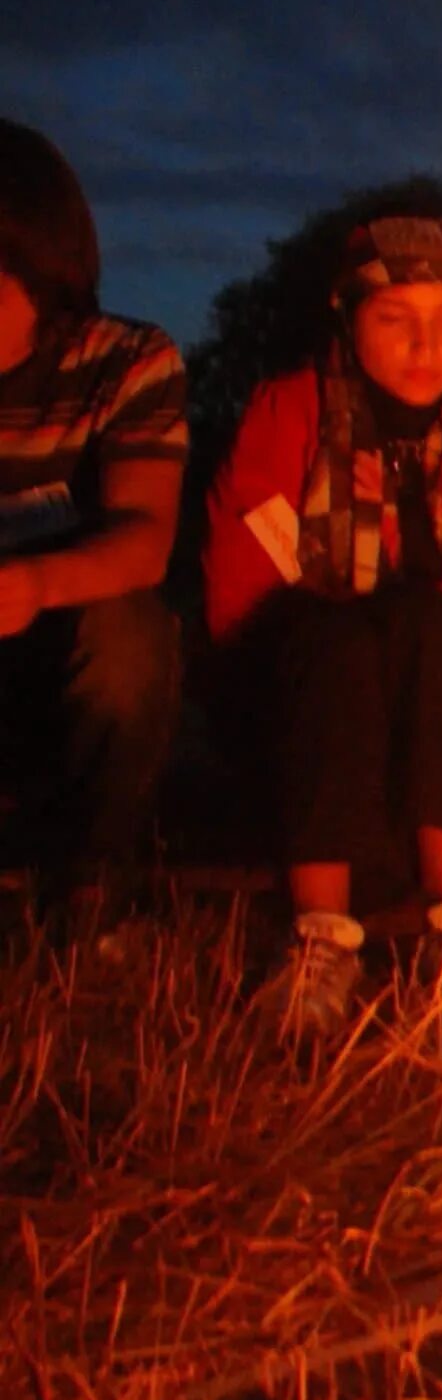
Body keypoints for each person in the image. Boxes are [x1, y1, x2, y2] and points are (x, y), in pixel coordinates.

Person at [205, 217, 442, 1035]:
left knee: (429, 624)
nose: (426, 347)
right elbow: (239, 589)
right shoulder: (292, 411)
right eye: (396, 320)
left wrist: (404, 533)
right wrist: (384, 549)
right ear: (350, 316)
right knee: (335, 635)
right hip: (314, 702)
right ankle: (320, 941)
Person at [0, 119, 185, 923]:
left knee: (127, 635)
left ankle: (91, 884)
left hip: (60, 658)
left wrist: (33, 581)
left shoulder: (124, 362)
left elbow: (145, 536)